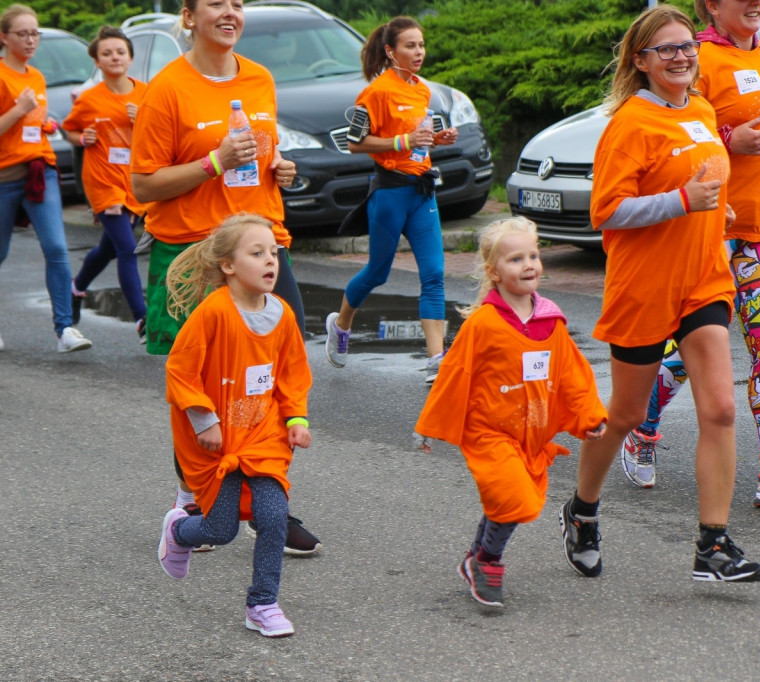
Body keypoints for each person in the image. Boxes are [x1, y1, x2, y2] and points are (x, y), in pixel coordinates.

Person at [559, 4, 760, 583]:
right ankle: (582, 511)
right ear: (641, 62)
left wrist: (715, 215)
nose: (680, 56)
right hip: (644, 288)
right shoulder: (630, 123)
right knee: (624, 415)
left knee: (722, 410)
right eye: (666, 50)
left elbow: (706, 185)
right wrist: (681, 203)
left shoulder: (701, 109)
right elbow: (607, 212)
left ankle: (713, 546)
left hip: (703, 280)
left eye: (686, 47)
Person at [131, 0, 321, 554]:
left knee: (273, 372)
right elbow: (143, 187)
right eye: (216, 3)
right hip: (192, 253)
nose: (230, 11)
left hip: (261, 245)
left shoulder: (259, 78)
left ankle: (269, 504)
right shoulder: (166, 89)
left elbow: (262, 154)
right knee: (201, 385)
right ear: (189, 17)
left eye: (238, 3)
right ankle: (197, 497)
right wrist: (213, 163)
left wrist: (279, 167)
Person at [616, 0, 760, 509]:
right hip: (709, 226)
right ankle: (641, 424)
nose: (756, 3)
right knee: (693, 350)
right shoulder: (694, 55)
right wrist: (732, 140)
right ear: (712, 5)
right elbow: (685, 127)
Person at [415, 217, 607, 608]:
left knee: (507, 500)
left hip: (530, 434)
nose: (529, 265)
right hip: (488, 432)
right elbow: (455, 374)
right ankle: (488, 560)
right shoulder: (483, 324)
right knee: (515, 499)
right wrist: (429, 425)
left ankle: (474, 558)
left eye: (533, 255)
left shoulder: (551, 320)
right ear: (494, 272)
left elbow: (572, 374)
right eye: (516, 258)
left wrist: (591, 415)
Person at [157, 213, 312, 637]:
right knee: (220, 530)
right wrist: (204, 419)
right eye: (257, 253)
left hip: (264, 438)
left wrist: (296, 417)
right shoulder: (213, 313)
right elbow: (181, 370)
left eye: (274, 253)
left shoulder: (282, 316)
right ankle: (180, 530)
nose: (270, 261)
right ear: (228, 265)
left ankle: (262, 604)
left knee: (274, 516)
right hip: (220, 443)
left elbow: (292, 374)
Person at [324, 15, 459, 383]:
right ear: (390, 51)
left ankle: (436, 360)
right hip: (389, 193)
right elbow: (355, 143)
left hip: (422, 191)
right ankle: (341, 324)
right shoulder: (376, 93)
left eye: (421, 45)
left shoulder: (422, 90)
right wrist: (403, 142)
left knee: (433, 275)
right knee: (377, 272)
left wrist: (437, 139)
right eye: (410, 46)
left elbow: (418, 137)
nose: (419, 53)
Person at [0, 3, 92, 353]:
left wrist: (42, 123)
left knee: (55, 248)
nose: (30, 39)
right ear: (4, 37)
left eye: (34, 32)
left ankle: (65, 330)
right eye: (22, 34)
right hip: (4, 178)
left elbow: (32, 123)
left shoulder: (36, 76)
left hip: (41, 172)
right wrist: (19, 110)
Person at [62, 26, 147, 343]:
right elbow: (69, 130)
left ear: (130, 57)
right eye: (107, 53)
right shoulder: (89, 99)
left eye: (120, 52)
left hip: (133, 181)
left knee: (109, 248)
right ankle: (142, 319)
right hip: (102, 180)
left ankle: (76, 286)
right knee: (128, 248)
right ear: (97, 61)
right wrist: (81, 138)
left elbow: (161, 136)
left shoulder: (145, 93)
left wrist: (143, 120)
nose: (114, 57)